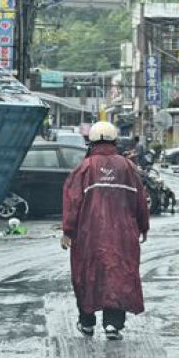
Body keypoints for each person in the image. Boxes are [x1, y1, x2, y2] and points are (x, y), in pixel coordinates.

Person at [62, 121, 150, 341]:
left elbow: (72, 202)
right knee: (118, 276)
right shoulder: (128, 167)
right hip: (123, 236)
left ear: (91, 142)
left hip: (88, 236)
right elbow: (141, 200)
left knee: (86, 275)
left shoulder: (84, 168)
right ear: (115, 141)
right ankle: (113, 324)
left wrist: (68, 231)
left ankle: (87, 323)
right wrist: (143, 226)